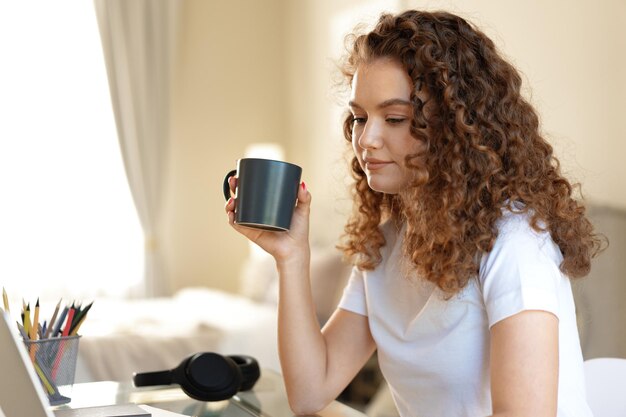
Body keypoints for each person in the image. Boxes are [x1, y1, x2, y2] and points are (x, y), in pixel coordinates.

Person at [225, 10, 605, 417]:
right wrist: (291, 256)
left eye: (394, 119)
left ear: (458, 125)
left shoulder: (515, 242)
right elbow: (310, 391)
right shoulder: (389, 243)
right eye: (359, 117)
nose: (366, 139)